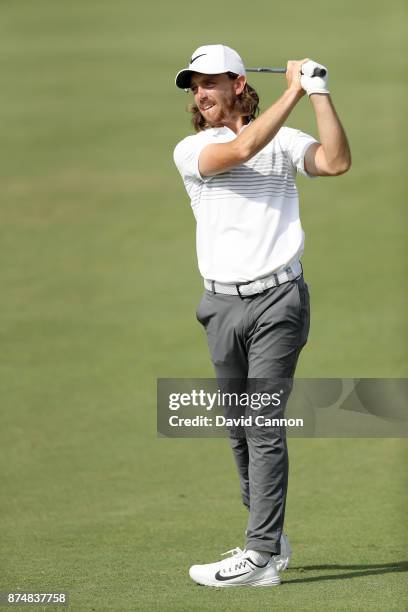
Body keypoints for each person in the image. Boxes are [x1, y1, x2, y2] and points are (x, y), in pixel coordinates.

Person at [173, 44, 351, 588]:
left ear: (238, 84)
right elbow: (246, 146)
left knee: (262, 424)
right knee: (238, 430)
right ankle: (268, 537)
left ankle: (258, 556)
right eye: (194, 85)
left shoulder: (285, 139)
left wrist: (318, 93)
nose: (200, 93)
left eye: (210, 82)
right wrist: (294, 88)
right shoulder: (191, 150)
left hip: (279, 300)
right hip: (221, 305)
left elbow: (336, 161)